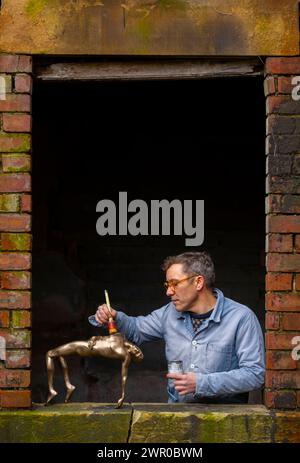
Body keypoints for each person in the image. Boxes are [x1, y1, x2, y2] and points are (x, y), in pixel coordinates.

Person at [90, 251, 265, 403]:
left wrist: (202, 383)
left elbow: (255, 374)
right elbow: (136, 330)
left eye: (174, 283)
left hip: (228, 422)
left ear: (198, 282)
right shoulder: (168, 314)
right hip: (178, 416)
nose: (168, 292)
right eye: (168, 285)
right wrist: (114, 317)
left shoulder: (241, 318)